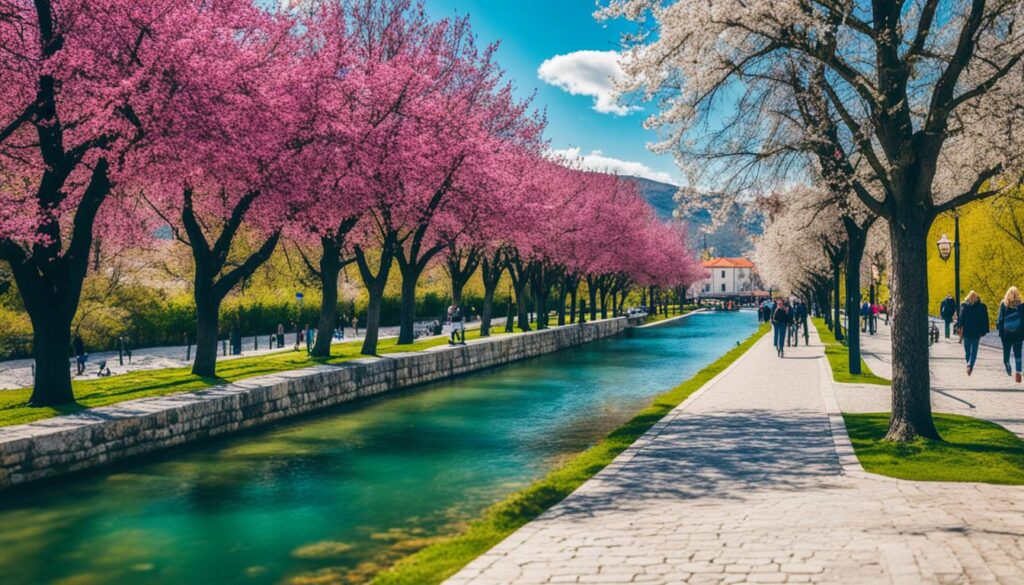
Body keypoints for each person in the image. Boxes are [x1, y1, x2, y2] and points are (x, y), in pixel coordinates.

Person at [956, 291, 989, 376]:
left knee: (967, 351)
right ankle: (970, 365)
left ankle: (968, 364)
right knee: (974, 351)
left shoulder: (964, 306)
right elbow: (984, 320)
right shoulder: (981, 306)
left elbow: (961, 318)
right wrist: (984, 331)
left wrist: (959, 326)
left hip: (967, 332)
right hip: (976, 332)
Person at [997, 286, 1024, 383]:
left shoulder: (1003, 304)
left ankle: (1007, 365)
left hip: (1006, 334)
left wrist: (1001, 333)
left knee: (1006, 353)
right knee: (1018, 354)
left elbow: (1000, 319)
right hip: (1018, 334)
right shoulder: (1021, 305)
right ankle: (1018, 372)